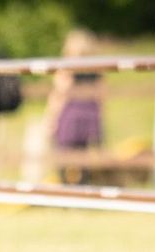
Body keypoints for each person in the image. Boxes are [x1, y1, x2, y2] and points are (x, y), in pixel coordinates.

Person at [45, 29, 103, 185]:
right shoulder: (97, 70)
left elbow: (60, 93)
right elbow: (100, 96)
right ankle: (82, 188)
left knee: (62, 155)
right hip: (89, 116)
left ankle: (65, 189)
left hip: (69, 116)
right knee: (83, 157)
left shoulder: (67, 68)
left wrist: (51, 118)